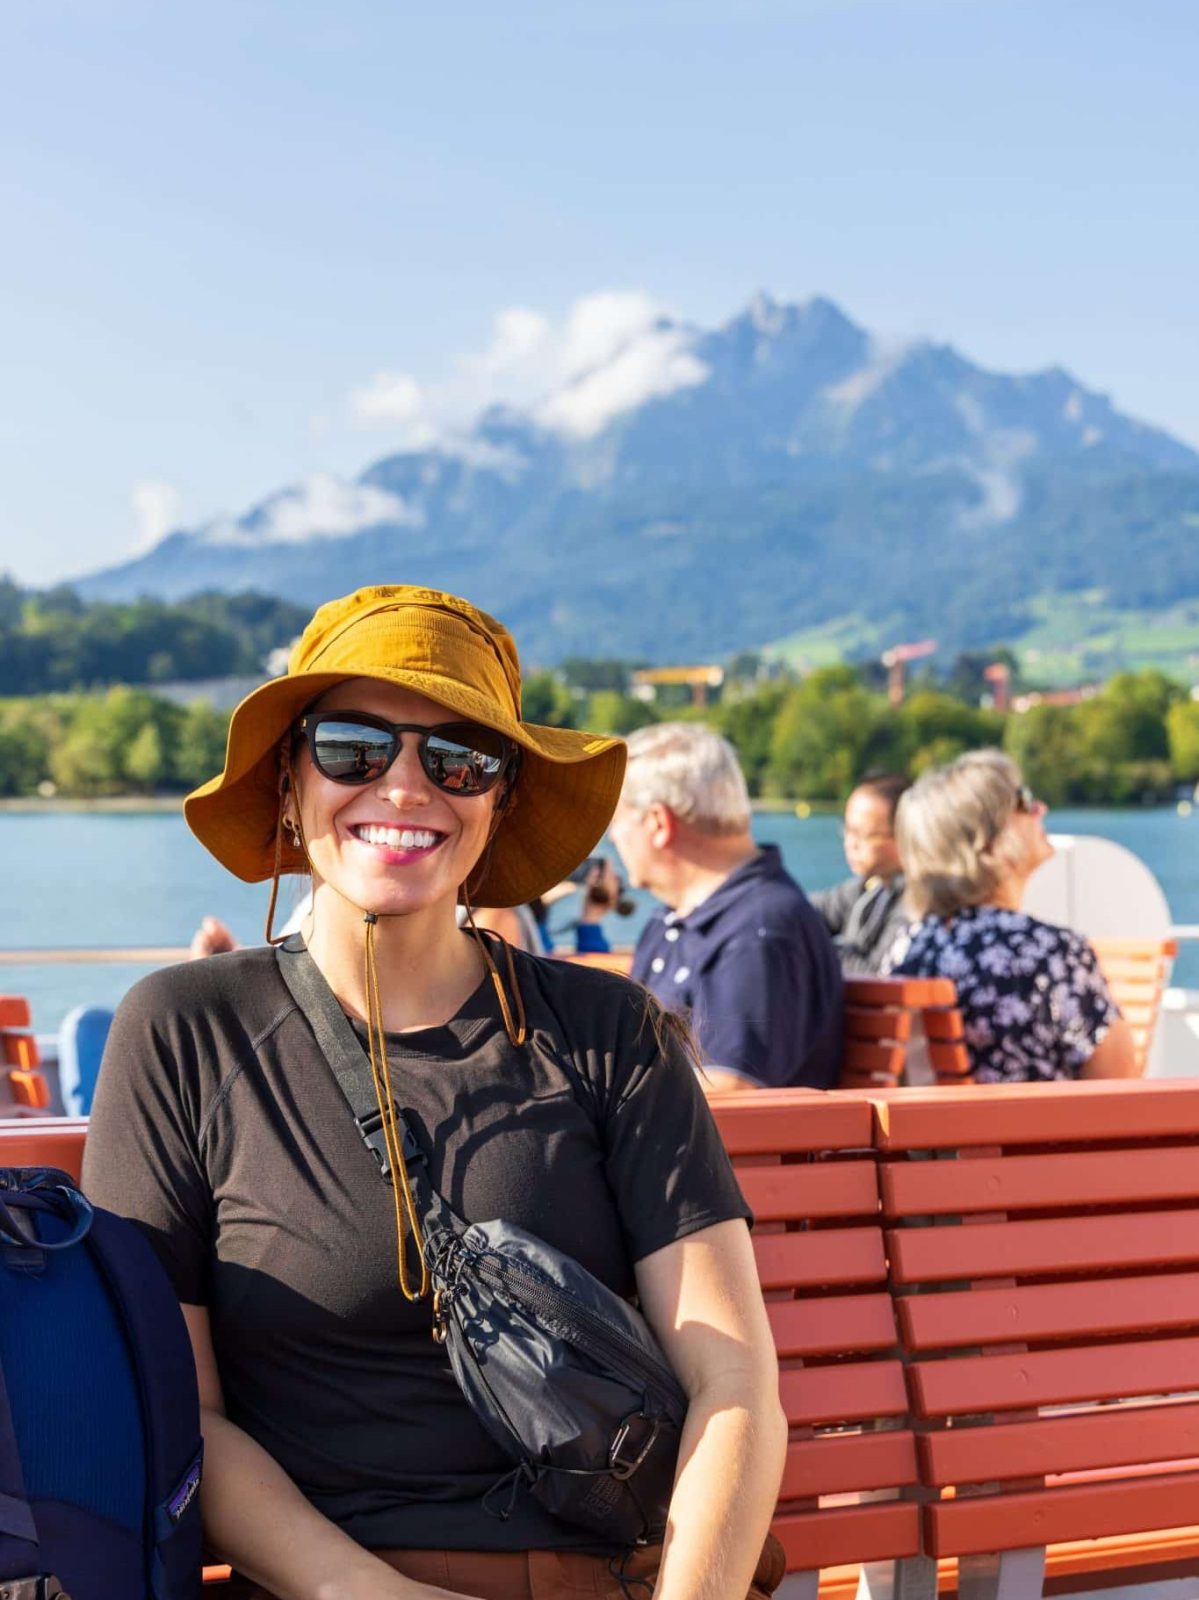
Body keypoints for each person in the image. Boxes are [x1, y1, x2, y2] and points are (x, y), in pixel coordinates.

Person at [82, 585, 787, 1600]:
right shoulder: (185, 1030)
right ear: (287, 781)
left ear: (496, 802)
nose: (406, 787)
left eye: (459, 760)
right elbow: (182, 1413)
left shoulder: (609, 1033)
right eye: (352, 747)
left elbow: (733, 1376)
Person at [609, 722, 843, 1092]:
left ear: (657, 824)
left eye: (616, 821)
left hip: (724, 1149)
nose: (613, 837)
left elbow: (728, 1092)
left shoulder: (759, 932)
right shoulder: (677, 920)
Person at [890, 749, 1139, 1082]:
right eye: (1024, 800)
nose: (1040, 809)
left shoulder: (913, 946)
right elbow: (1118, 1083)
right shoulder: (1047, 952)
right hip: (1040, 1131)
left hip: (946, 1132)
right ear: (988, 841)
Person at [810, 772, 911, 974]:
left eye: (864, 834)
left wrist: (813, 947)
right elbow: (802, 910)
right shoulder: (869, 887)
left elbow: (877, 975)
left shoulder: (916, 902)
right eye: (847, 830)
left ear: (905, 836)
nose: (850, 843)